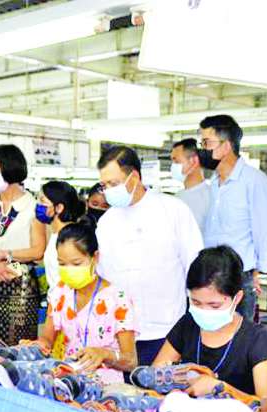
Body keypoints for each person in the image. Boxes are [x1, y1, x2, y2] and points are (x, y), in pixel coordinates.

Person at [96, 146, 203, 365]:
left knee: (163, 385)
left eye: (114, 184)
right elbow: (103, 275)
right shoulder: (106, 222)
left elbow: (195, 265)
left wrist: (196, 320)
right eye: (104, 185)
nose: (108, 191)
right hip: (121, 333)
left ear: (134, 177)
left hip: (167, 331)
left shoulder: (173, 210)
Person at [153, 246, 267, 409]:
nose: (204, 311)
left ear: (237, 298)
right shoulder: (188, 324)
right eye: (196, 302)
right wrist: (178, 379)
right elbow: (154, 374)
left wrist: (222, 389)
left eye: (214, 305)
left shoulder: (255, 338)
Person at [199, 114, 267, 321]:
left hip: (237, 278)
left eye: (207, 142)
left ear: (226, 146)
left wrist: (258, 269)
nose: (203, 149)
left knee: (237, 337)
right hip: (209, 276)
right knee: (210, 333)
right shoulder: (214, 183)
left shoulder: (253, 180)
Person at [34, 220, 138, 381]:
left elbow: (130, 361)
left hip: (105, 386)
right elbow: (47, 338)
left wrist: (104, 354)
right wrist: (39, 345)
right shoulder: (60, 292)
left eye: (76, 263)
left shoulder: (117, 299)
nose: (69, 270)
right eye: (62, 264)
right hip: (67, 381)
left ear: (95, 257)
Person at [0, 144, 45, 345]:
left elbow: (38, 250)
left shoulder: (33, 207)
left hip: (20, 281)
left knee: (18, 341)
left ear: (10, 168)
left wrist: (5, 256)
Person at [37, 180, 85, 291]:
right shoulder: (56, 234)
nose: (38, 205)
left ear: (59, 208)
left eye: (42, 201)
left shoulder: (70, 239)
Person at [171, 138, 210, 231]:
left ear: (194, 161)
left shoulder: (211, 196)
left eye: (176, 161)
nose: (172, 166)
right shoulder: (178, 197)